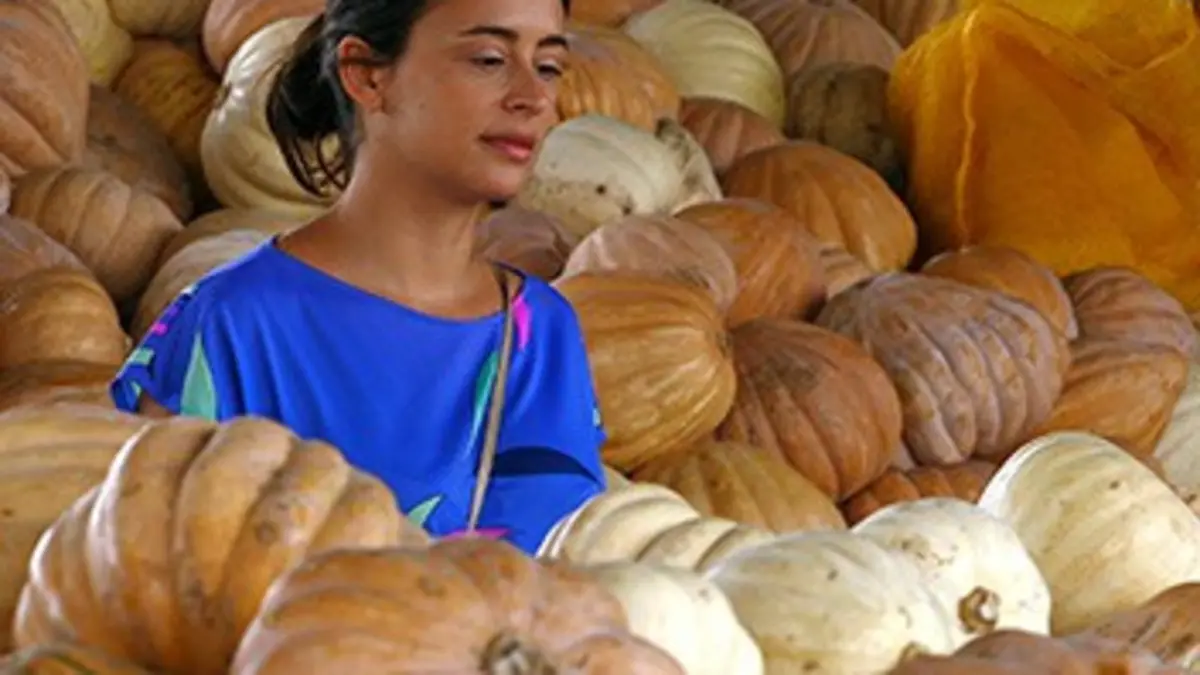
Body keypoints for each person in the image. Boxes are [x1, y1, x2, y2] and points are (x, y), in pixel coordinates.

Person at [109, 0, 607, 555]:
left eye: (549, 67)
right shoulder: (233, 321)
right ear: (367, 76)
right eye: (489, 59)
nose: (533, 99)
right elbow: (146, 577)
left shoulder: (544, 334)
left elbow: (573, 576)